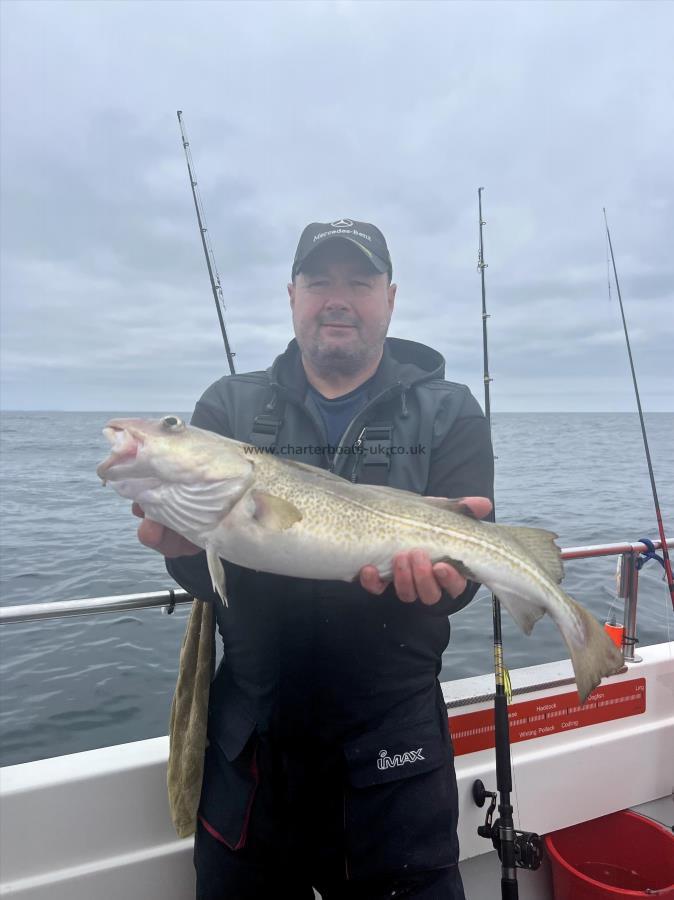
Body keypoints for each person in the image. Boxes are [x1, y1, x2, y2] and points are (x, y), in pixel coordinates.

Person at [135, 219, 494, 899]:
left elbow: (467, 571)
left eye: (359, 282)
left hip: (397, 758)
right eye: (319, 281)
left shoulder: (449, 412)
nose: (338, 298)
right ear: (291, 295)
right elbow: (209, 582)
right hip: (253, 756)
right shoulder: (229, 406)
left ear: (390, 298)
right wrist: (184, 551)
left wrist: (446, 586)